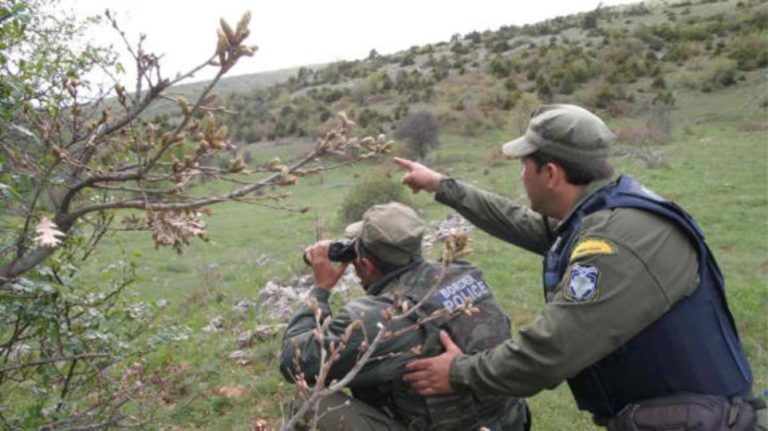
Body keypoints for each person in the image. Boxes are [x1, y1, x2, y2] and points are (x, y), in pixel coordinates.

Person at [395, 104, 763, 430]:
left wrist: (459, 373)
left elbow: (549, 352)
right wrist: (442, 186)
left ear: (550, 173)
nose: (521, 175)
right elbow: (526, 224)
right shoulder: (606, 209)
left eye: (524, 165)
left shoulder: (614, 244)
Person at [279, 202, 529, 431]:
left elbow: (294, 363)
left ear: (366, 265)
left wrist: (320, 290)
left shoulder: (377, 317)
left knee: (309, 402)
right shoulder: (464, 274)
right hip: (508, 422)